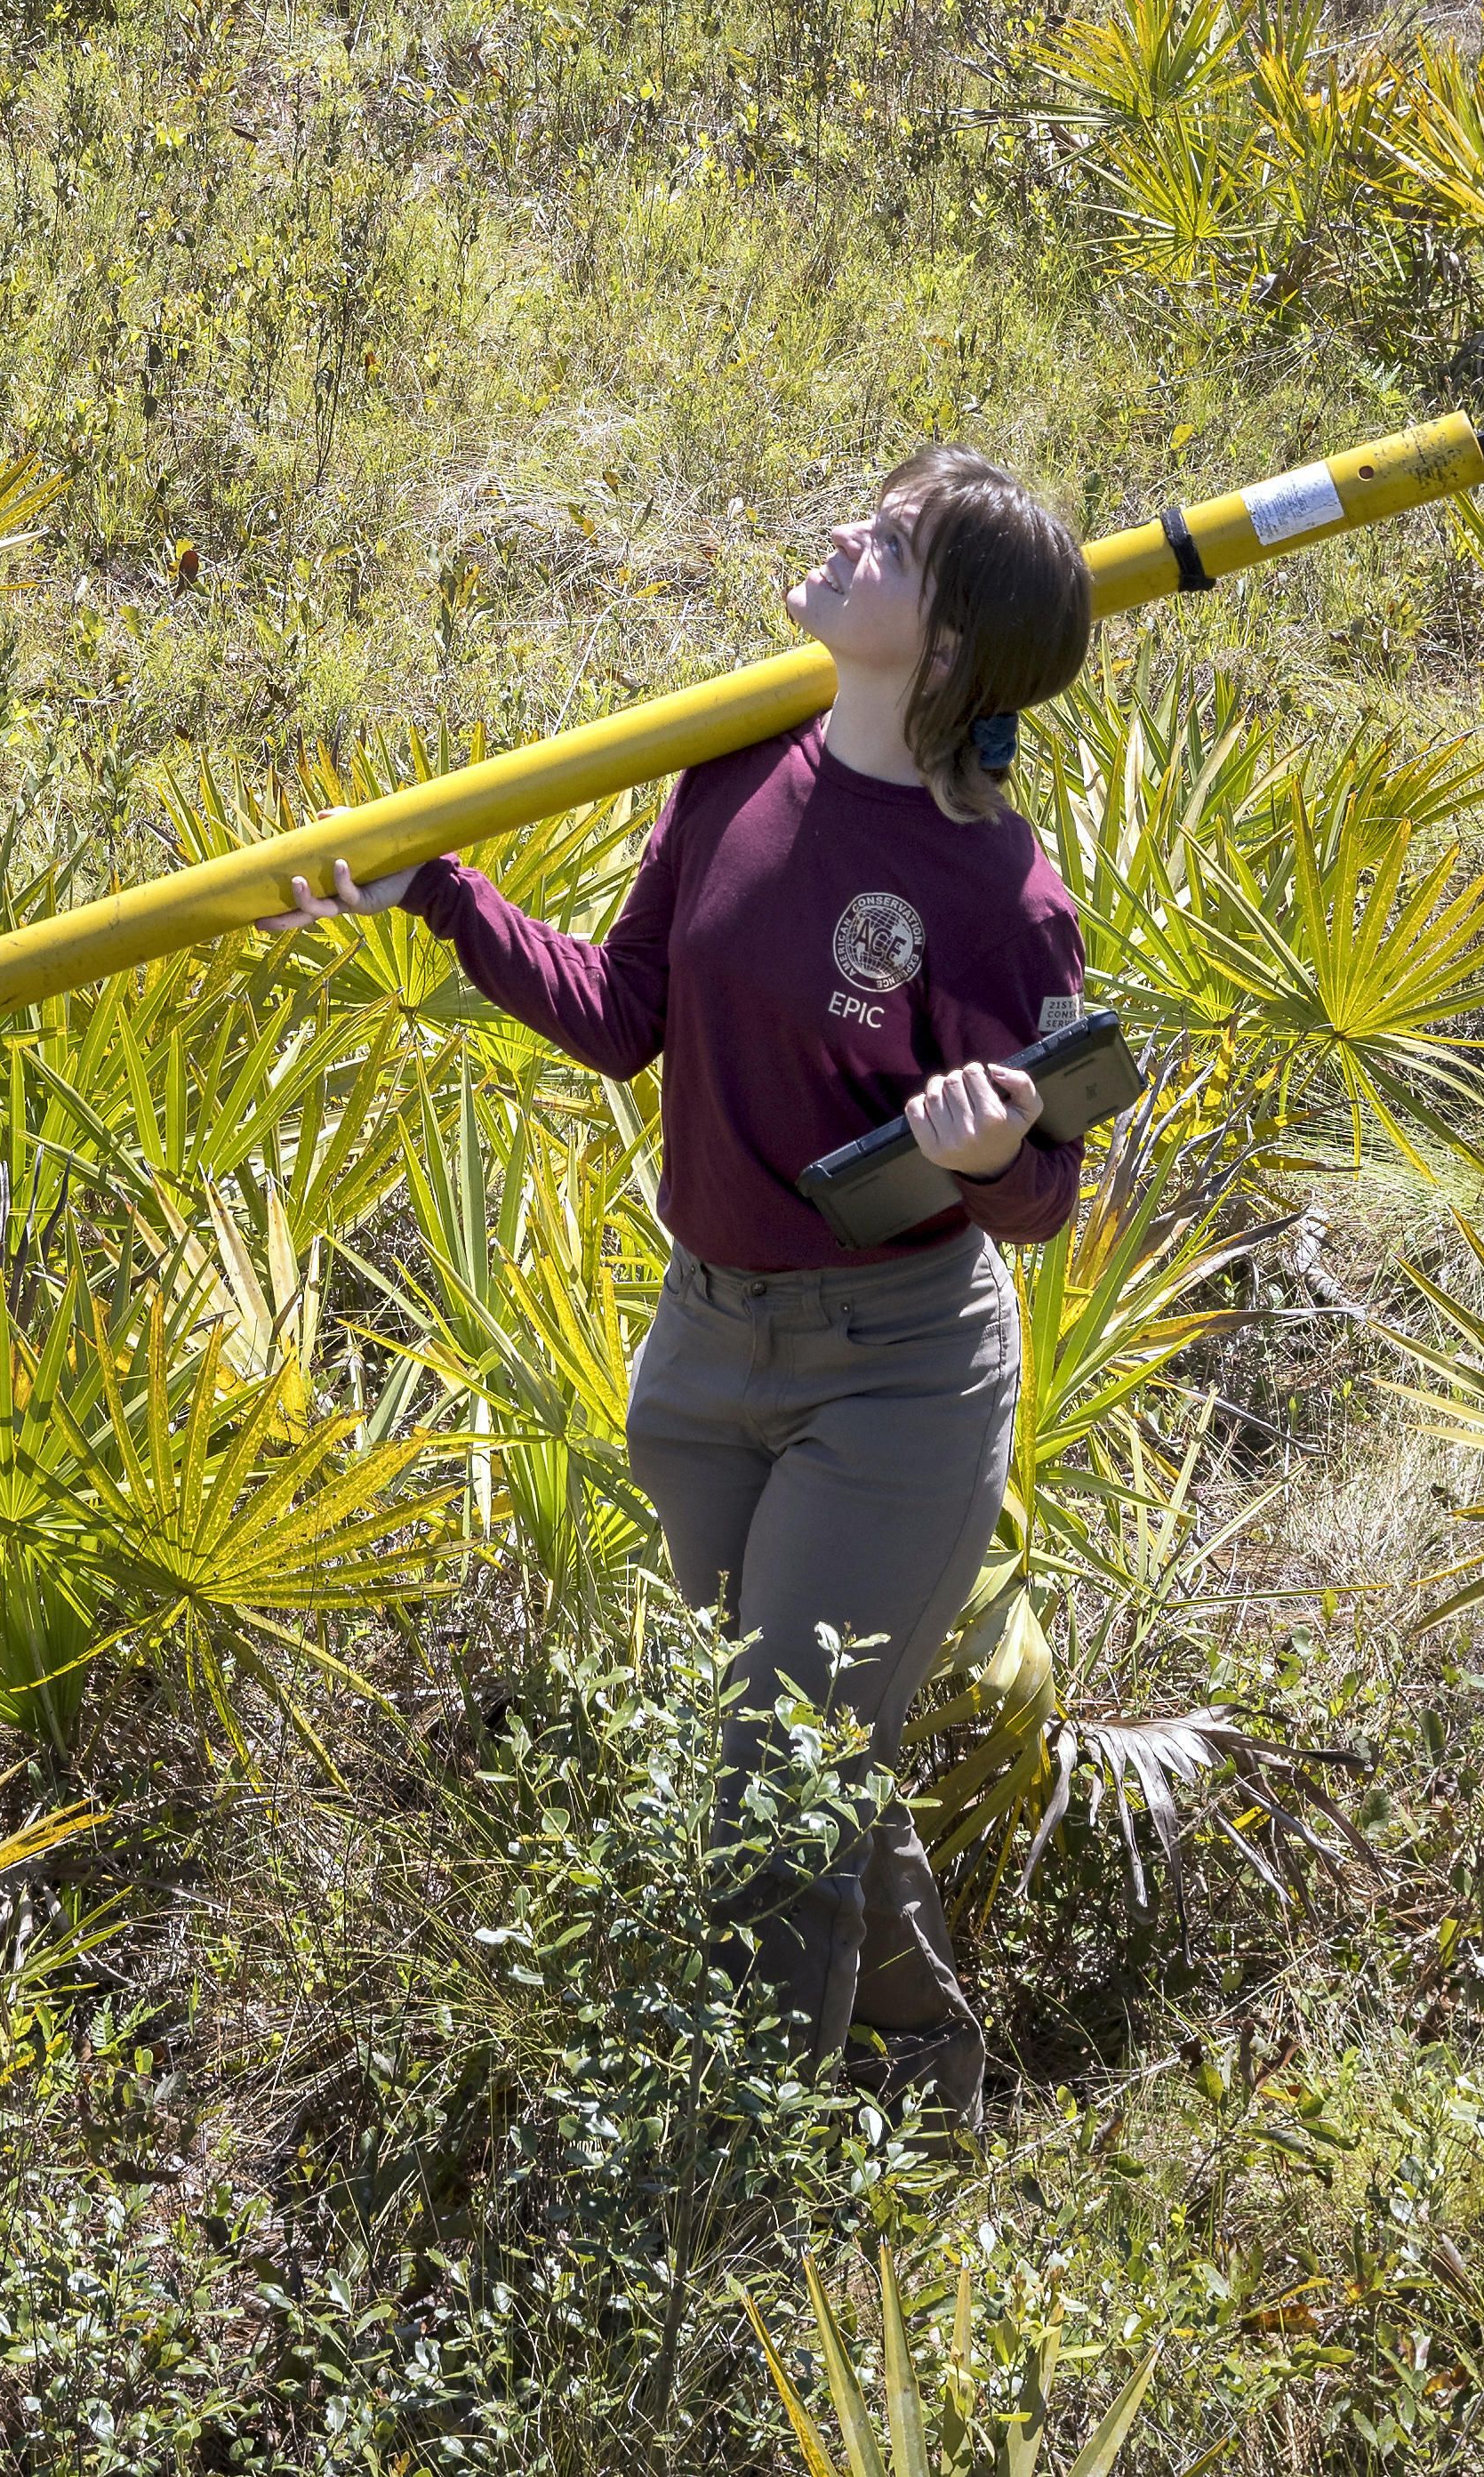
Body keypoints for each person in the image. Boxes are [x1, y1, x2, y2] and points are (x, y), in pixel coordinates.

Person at [287, 446, 1104, 2106]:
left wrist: (979, 1155)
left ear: (946, 645)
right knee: (802, 1762)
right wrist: (440, 893)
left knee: (773, 1791)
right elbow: (622, 1016)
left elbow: (1043, 1196)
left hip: (895, 1378)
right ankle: (931, 2075)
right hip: (707, 1353)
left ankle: (737, 2174)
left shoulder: (999, 895)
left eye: (891, 542)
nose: (845, 533)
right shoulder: (737, 765)